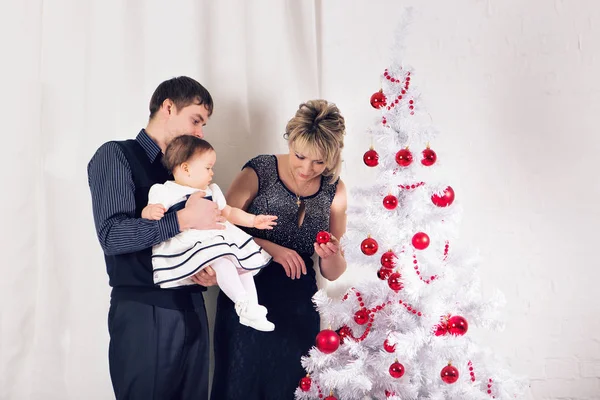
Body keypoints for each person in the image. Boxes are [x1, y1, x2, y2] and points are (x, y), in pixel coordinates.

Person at [87, 76, 223, 400]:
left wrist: (212, 270)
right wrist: (182, 219)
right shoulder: (116, 155)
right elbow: (112, 234)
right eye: (196, 120)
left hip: (193, 305)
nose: (201, 133)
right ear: (168, 107)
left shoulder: (190, 171)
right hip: (144, 309)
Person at [211, 99, 348, 400]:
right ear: (291, 140)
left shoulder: (335, 189)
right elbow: (220, 225)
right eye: (300, 156)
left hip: (298, 305)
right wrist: (272, 248)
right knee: (239, 384)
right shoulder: (260, 169)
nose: (306, 169)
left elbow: (333, 272)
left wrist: (331, 253)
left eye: (319, 162)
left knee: (289, 389)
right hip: (248, 295)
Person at [142, 135, 277, 331]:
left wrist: (253, 220)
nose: (212, 173)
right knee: (223, 261)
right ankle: (241, 302)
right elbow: (149, 212)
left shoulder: (211, 190)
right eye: (208, 168)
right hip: (193, 244)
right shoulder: (166, 190)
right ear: (186, 168)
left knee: (242, 266)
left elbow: (229, 212)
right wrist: (150, 212)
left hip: (219, 238)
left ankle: (252, 308)